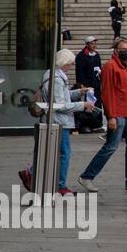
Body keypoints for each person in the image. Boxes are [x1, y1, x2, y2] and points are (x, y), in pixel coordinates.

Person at [77, 37, 127, 191]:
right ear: (116, 51)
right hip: (118, 114)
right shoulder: (111, 66)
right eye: (124, 50)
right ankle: (86, 176)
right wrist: (111, 116)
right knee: (110, 147)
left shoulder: (126, 66)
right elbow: (107, 93)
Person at [38, 49, 96, 195]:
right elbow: (61, 105)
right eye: (70, 64)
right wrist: (82, 105)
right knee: (64, 153)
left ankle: (32, 172)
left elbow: (62, 97)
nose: (70, 67)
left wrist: (78, 92)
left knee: (53, 151)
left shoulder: (52, 74)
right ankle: (60, 185)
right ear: (63, 63)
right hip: (59, 121)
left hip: (56, 120)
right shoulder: (56, 78)